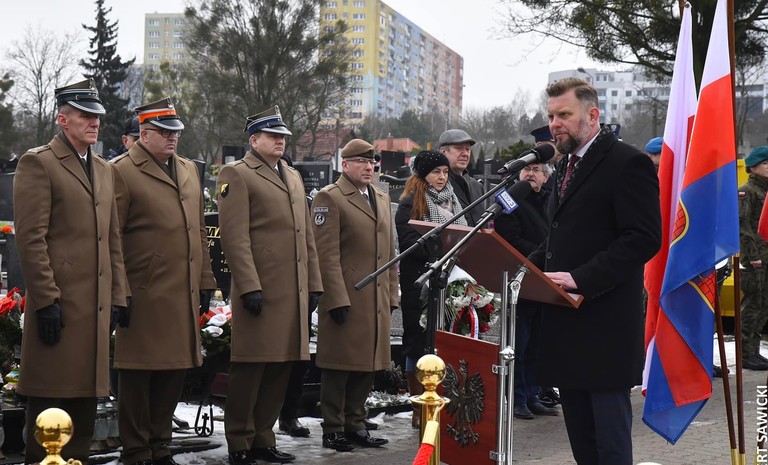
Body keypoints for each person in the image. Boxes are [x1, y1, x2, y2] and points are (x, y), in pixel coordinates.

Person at [529, 77, 661, 465]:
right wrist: (519, 268)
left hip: (605, 328)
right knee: (583, 446)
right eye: (551, 116)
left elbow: (643, 238)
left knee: (610, 446)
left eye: (564, 114)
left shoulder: (627, 163)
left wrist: (581, 277)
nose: (554, 124)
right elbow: (559, 237)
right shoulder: (566, 166)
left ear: (592, 115)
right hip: (566, 326)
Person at [13, 78, 128, 464]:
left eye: (97, 116)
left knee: (83, 409)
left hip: (93, 311)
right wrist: (46, 300)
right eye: (85, 116)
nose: (95, 122)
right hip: (60, 307)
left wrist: (117, 295)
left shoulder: (104, 170)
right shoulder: (39, 163)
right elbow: (31, 239)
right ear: (63, 119)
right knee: (51, 405)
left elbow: (112, 239)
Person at [111, 97, 217, 465]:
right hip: (143, 289)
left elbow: (199, 229)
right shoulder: (122, 170)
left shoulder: (186, 169)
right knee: (138, 373)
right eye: (164, 132)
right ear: (144, 134)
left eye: (176, 132)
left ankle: (160, 446)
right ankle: (136, 449)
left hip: (181, 289)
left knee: (174, 369)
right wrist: (119, 290)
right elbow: (112, 235)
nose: (173, 138)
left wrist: (205, 280)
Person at [217, 106, 323, 465]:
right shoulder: (238, 173)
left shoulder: (291, 175)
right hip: (260, 290)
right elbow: (234, 237)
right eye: (273, 135)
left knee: (281, 367)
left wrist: (314, 284)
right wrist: (248, 286)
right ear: (254, 140)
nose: (280, 141)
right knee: (251, 368)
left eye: (283, 136)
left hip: (292, 291)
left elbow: (306, 236)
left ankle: (263, 438)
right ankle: (239, 441)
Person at [311, 138, 398, 452]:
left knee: (367, 363)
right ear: (345, 165)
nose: (368, 167)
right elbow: (326, 255)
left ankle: (356, 424)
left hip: (375, 298)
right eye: (361, 162)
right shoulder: (330, 197)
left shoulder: (380, 197)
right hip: (347, 295)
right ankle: (333, 428)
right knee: (339, 365)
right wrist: (334, 298)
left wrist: (392, 295)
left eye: (371, 162)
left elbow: (388, 252)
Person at [395, 150, 467, 428]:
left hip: (450, 280)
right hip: (420, 283)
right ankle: (418, 406)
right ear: (423, 175)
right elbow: (408, 242)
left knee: (444, 342)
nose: (442, 177)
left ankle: (442, 399)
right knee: (417, 342)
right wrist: (440, 250)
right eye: (436, 172)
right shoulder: (410, 202)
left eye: (445, 172)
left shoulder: (453, 200)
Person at [494, 161, 558, 420]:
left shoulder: (550, 199)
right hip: (520, 278)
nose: (531, 173)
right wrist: (542, 257)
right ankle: (517, 398)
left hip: (545, 280)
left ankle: (532, 395)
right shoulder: (510, 198)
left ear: (546, 177)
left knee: (536, 344)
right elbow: (510, 238)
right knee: (518, 345)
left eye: (537, 169)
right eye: (526, 169)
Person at [738, 146, 768, 371]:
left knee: (763, 305)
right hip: (755, 259)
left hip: (765, 257)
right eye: (765, 163)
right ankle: (745, 353)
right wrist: (752, 256)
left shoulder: (765, 191)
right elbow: (743, 226)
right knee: (752, 304)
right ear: (753, 167)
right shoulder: (747, 191)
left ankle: (753, 350)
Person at [438, 129, 486, 225]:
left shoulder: (477, 186)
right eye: (459, 148)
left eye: (468, 149)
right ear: (443, 152)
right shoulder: (436, 185)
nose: (465, 154)